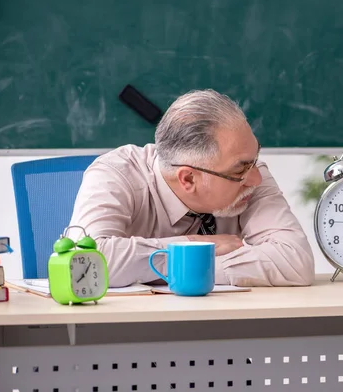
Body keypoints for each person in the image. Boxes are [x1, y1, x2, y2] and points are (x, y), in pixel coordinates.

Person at [68, 89, 315, 288]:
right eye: (239, 171)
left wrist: (184, 266)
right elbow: (84, 263)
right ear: (188, 179)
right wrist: (190, 246)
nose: (257, 179)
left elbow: (295, 261)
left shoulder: (249, 170)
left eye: (255, 157)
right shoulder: (115, 174)